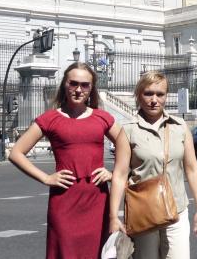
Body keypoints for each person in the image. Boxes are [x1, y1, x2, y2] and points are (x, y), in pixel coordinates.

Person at [9, 62, 125, 259]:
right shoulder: (49, 119)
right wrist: (46, 178)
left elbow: (127, 144)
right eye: (73, 83)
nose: (79, 89)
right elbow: (16, 153)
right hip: (64, 202)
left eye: (85, 85)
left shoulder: (102, 118)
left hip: (97, 200)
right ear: (64, 84)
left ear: (91, 88)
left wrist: (113, 173)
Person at [110, 70, 197, 259]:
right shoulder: (128, 130)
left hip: (177, 210)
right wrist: (113, 216)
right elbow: (120, 175)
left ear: (166, 96)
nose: (154, 100)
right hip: (143, 211)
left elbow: (192, 169)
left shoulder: (180, 126)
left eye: (160, 94)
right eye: (148, 93)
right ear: (139, 95)